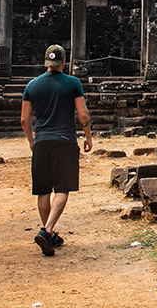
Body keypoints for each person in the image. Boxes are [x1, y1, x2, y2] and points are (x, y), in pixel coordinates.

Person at [20, 44, 93, 256]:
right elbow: (84, 115)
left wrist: (32, 141)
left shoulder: (32, 86)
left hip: (42, 141)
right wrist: (88, 137)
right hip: (65, 140)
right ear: (63, 62)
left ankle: (49, 236)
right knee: (62, 188)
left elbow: (25, 119)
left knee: (43, 190)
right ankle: (48, 230)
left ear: (46, 63)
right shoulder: (72, 83)